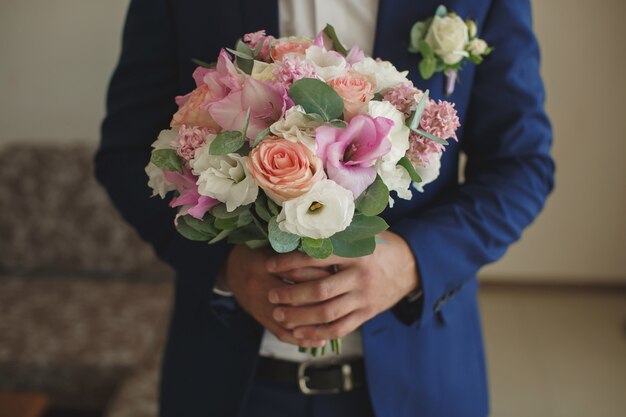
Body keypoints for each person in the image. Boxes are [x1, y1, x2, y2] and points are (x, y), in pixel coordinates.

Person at [95, 0, 554, 416]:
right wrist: (223, 266)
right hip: (230, 380)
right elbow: (127, 154)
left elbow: (521, 166)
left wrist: (413, 261)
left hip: (419, 379)